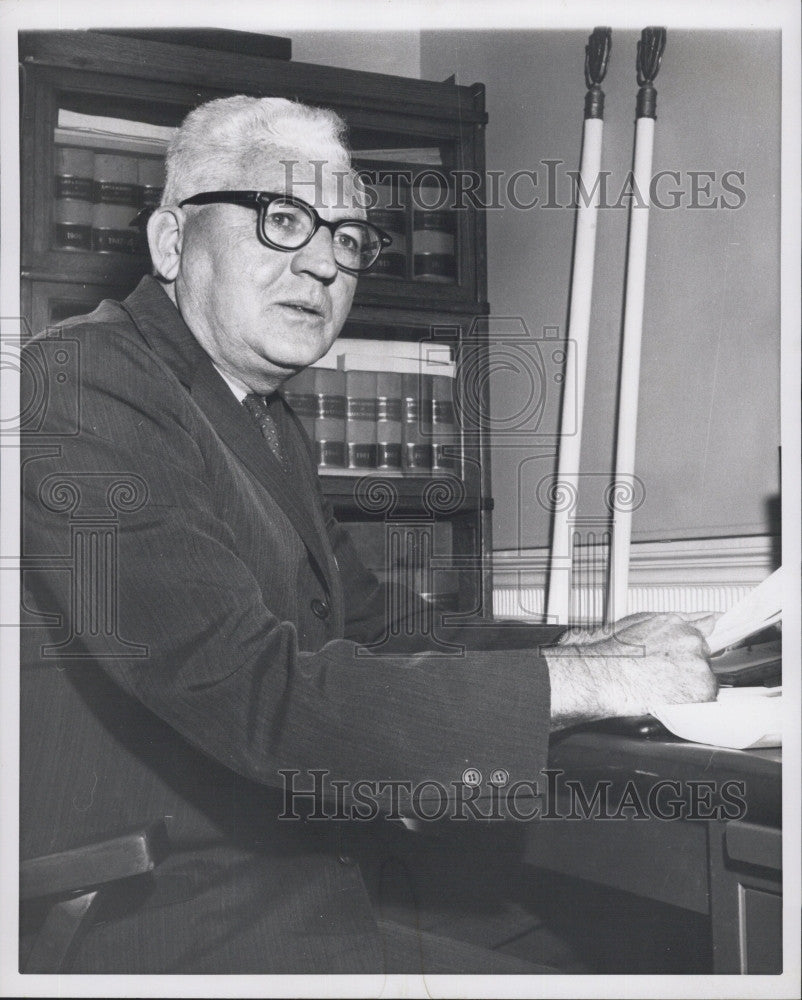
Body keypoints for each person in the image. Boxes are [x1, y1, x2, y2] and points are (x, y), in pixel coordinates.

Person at [20, 95, 716, 975]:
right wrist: (581, 680)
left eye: (348, 239)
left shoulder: (259, 415)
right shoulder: (75, 383)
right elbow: (245, 686)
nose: (323, 264)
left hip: (302, 882)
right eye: (283, 219)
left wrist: (584, 641)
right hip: (155, 923)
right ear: (170, 243)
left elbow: (374, 625)